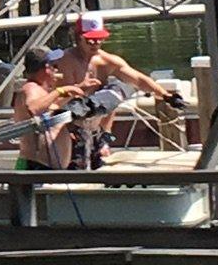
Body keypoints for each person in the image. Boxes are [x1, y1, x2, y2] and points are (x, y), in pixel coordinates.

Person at [53, 12, 182, 168]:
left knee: (116, 90)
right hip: (68, 122)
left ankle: (104, 139)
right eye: (90, 40)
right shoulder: (64, 60)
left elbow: (139, 79)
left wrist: (167, 96)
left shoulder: (107, 61)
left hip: (94, 121)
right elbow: (56, 98)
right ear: (78, 37)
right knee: (75, 169)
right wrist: (78, 88)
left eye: (99, 39)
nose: (95, 43)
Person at [14, 46, 85, 171]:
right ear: (46, 68)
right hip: (35, 167)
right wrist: (59, 91)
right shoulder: (31, 88)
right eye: (54, 66)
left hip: (46, 167)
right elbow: (34, 108)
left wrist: (78, 88)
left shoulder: (39, 90)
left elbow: (53, 107)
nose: (56, 70)